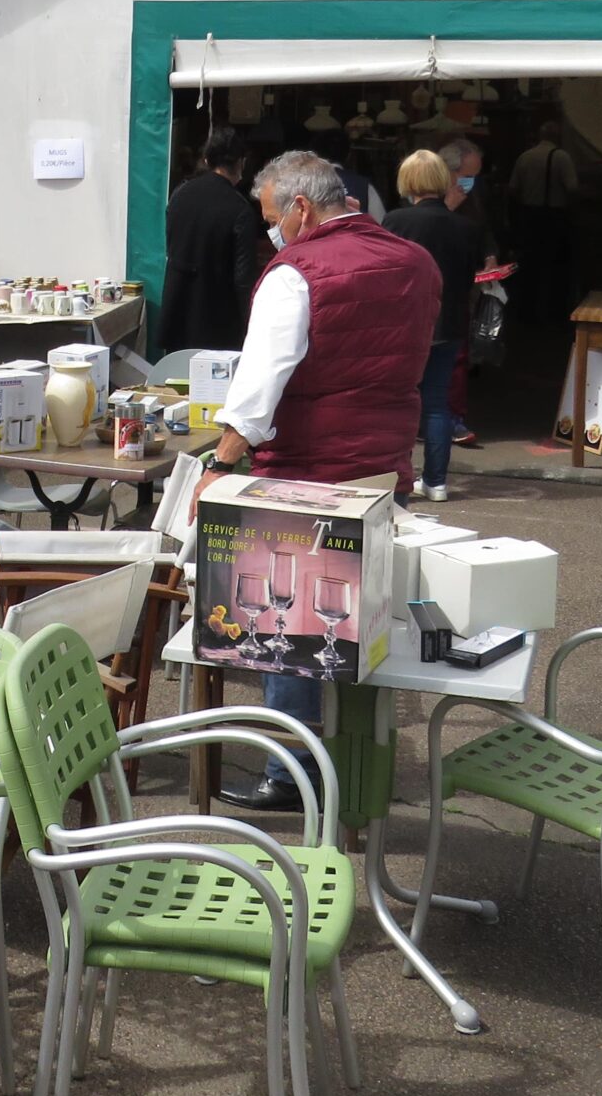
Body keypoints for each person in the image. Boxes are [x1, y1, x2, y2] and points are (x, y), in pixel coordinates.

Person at [200, 151, 437, 810]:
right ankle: (363, 762)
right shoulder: (414, 263)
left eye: (274, 217)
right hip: (381, 461)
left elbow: (261, 380)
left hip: (308, 470)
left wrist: (222, 460)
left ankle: (291, 769)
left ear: (301, 209)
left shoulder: (295, 273)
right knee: (363, 618)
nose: (271, 231)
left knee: (290, 624)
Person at [383, 149, 481, 503]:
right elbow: (471, 277)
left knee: (401, 400)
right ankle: (436, 482)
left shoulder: (395, 221)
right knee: (438, 403)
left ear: (408, 182)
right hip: (450, 321)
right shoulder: (467, 228)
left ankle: (401, 480)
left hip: (405, 324)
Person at [158, 123, 271, 354]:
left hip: (177, 308)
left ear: (207, 161)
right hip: (217, 319)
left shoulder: (180, 194)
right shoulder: (240, 209)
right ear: (242, 163)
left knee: (174, 382)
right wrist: (250, 322)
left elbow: (171, 246)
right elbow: (243, 277)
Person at [439, 137, 495, 448]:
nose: (471, 181)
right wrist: (448, 207)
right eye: (467, 174)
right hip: (438, 287)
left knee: (459, 352)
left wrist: (489, 256)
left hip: (468, 282)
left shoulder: (474, 195)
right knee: (444, 355)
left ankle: (453, 416)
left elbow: (484, 229)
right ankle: (444, 419)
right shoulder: (425, 193)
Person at [510, 120, 581, 322]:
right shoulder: (561, 157)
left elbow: (513, 189)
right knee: (557, 268)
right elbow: (573, 188)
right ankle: (555, 314)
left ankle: (526, 313)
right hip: (554, 218)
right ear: (557, 137)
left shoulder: (525, 157)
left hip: (529, 217)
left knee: (529, 268)